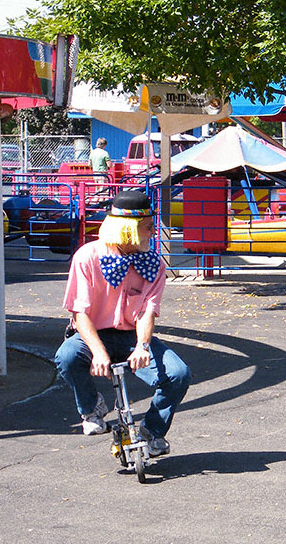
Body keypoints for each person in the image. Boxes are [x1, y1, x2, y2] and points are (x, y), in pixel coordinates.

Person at [54, 190, 191, 456]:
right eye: (149, 227)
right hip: (94, 334)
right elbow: (79, 312)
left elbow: (147, 312)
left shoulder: (154, 265)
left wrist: (142, 345)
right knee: (67, 356)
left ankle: (151, 431)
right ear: (129, 229)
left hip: (132, 337)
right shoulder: (87, 257)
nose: (153, 232)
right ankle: (92, 407)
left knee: (178, 374)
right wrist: (98, 352)